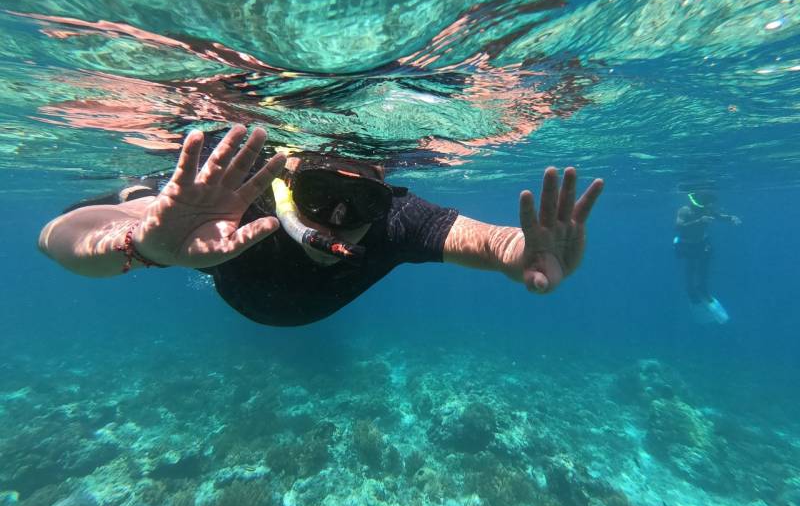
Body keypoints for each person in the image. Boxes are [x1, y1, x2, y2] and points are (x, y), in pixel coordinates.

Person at [38, 125, 604, 327]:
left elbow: (494, 240)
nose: (337, 218)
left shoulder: (398, 220)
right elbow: (57, 237)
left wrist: (519, 254)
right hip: (227, 280)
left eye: (359, 201)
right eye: (321, 193)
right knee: (154, 197)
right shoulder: (236, 207)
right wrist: (141, 243)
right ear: (289, 182)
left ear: (386, 195)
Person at [674, 189, 741, 324]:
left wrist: (731, 218)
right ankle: (691, 292)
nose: (711, 206)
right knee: (691, 269)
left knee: (704, 270)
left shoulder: (707, 209)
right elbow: (679, 227)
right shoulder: (685, 210)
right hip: (688, 246)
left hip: (702, 244)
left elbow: (719, 216)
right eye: (710, 202)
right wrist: (699, 221)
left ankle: (703, 290)